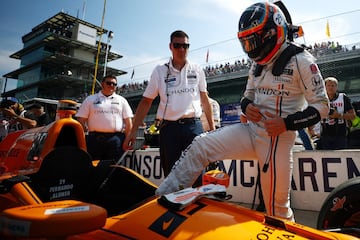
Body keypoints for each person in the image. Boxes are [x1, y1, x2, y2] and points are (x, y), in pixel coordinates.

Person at [155, 2, 330, 221]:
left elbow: (323, 106)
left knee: (277, 210)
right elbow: (246, 97)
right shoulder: (255, 64)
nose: (250, 47)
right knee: (200, 145)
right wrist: (248, 107)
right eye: (245, 41)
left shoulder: (302, 60)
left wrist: (286, 123)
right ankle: (160, 199)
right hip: (251, 131)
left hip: (277, 139)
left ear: (270, 34)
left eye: (253, 40)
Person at [123, 30, 215, 177]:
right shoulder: (159, 71)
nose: (181, 49)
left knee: (197, 173)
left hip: (193, 126)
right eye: (177, 45)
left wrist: (212, 128)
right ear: (170, 46)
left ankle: (195, 200)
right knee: (171, 175)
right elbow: (146, 101)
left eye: (185, 46)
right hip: (169, 128)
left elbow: (205, 99)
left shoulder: (197, 69)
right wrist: (133, 131)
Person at [76, 75, 134, 161]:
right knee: (92, 167)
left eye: (114, 84)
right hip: (94, 140)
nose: (111, 85)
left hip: (115, 139)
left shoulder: (122, 100)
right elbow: (81, 121)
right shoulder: (90, 99)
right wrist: (82, 139)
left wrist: (127, 139)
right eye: (109, 83)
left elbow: (128, 123)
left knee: (113, 168)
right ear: (102, 84)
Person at [319, 77, 355, 149]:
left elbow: (353, 116)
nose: (330, 88)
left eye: (333, 85)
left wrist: (338, 115)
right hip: (325, 134)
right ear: (324, 87)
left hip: (340, 134)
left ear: (336, 87)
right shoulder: (320, 99)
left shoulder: (343, 98)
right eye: (328, 85)